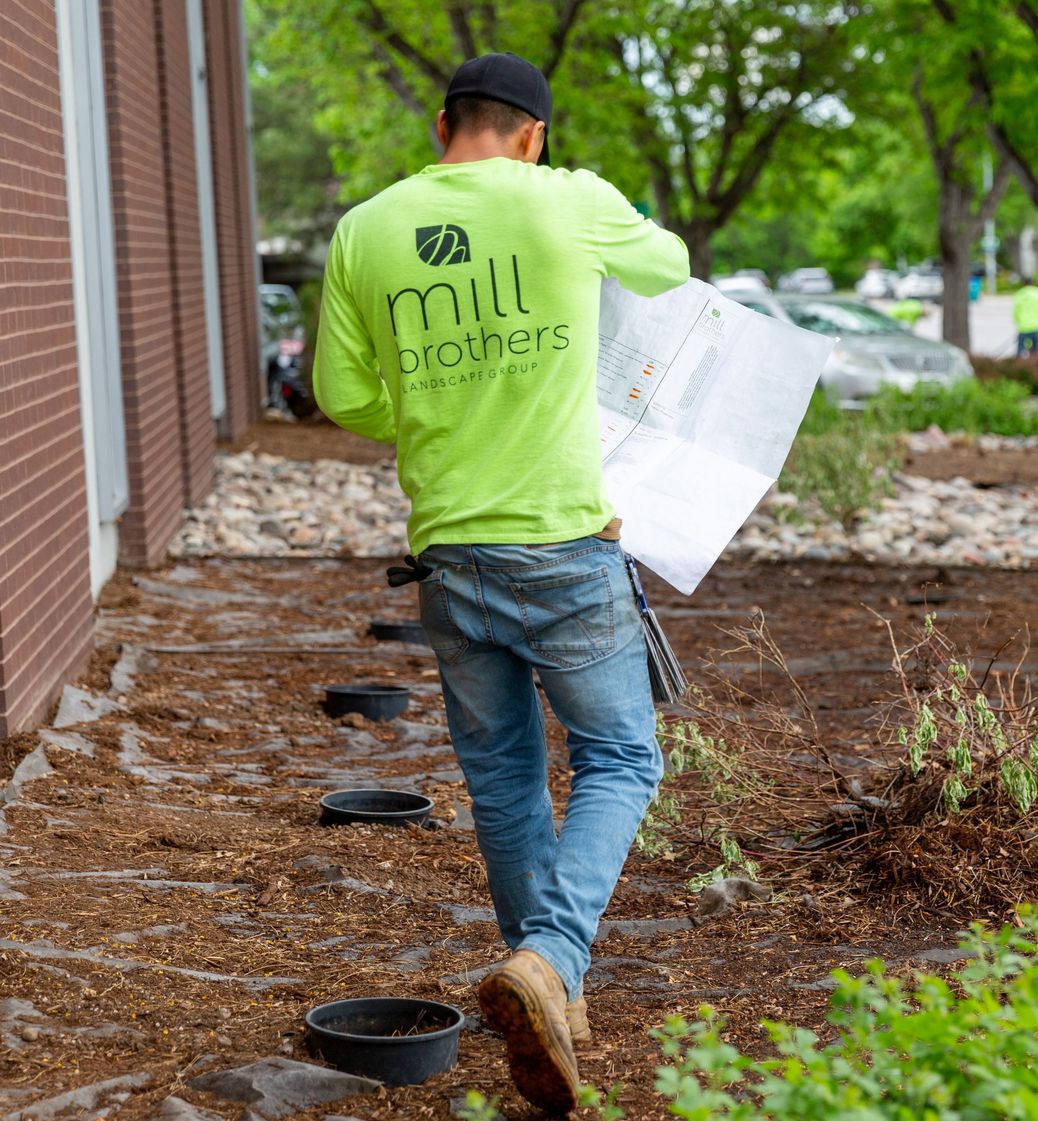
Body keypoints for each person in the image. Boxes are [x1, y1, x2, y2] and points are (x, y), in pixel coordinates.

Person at [312, 52, 689, 1115]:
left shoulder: (365, 229)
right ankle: (553, 956)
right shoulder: (565, 199)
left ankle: (552, 992)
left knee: (506, 779)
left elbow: (342, 393)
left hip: (449, 552)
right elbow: (668, 265)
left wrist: (439, 408)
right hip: (562, 545)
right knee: (621, 752)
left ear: (443, 126)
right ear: (533, 135)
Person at [1013, 275, 1038, 357]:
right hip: (1037, 326)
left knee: (1021, 350)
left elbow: (1015, 313)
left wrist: (1018, 322)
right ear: (1033, 283)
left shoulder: (1019, 294)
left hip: (1023, 327)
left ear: (1023, 284)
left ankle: (1019, 364)